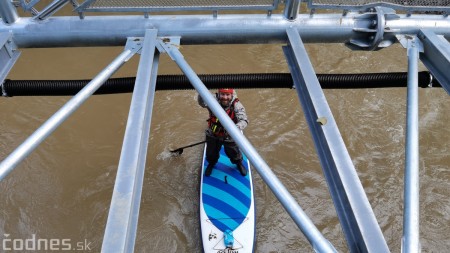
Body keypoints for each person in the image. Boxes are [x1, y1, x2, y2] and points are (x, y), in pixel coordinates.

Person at [198, 88, 248, 177]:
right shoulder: (212, 99)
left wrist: (233, 129)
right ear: (219, 94)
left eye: (227, 95)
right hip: (213, 133)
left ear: (231, 95)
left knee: (233, 152)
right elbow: (202, 103)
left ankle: (238, 163)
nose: (225, 97)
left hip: (229, 135)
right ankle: (211, 163)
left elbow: (244, 121)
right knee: (211, 153)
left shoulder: (237, 105)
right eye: (223, 94)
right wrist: (200, 92)